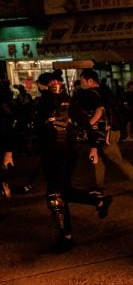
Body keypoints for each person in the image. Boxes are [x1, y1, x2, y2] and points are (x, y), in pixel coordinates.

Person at [35, 70, 112, 253]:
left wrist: (94, 147)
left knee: (55, 196)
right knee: (64, 192)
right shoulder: (46, 103)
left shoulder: (60, 101)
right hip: (52, 153)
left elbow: (86, 123)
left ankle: (66, 236)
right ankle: (98, 201)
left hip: (63, 154)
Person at [78, 69, 133, 199]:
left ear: (90, 81)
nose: (81, 83)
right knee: (98, 159)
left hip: (106, 133)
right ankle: (99, 188)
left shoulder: (92, 94)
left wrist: (87, 125)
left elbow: (99, 111)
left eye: (82, 81)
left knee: (118, 159)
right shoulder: (106, 91)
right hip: (111, 131)